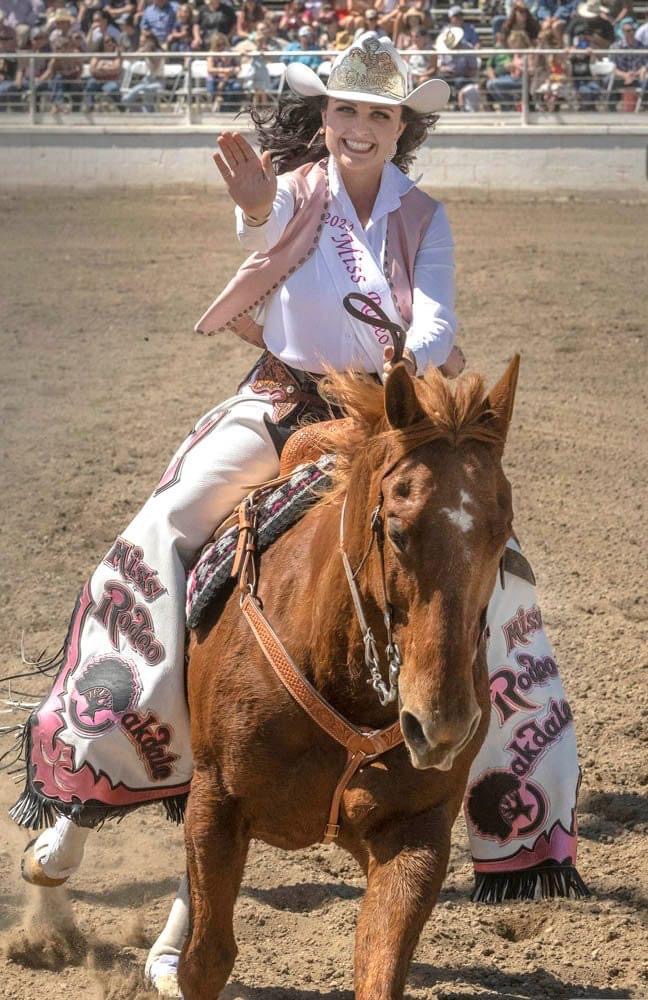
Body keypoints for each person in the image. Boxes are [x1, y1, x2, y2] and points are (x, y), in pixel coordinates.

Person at [12, 31, 585, 999]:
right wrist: (252, 206)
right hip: (283, 403)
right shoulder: (299, 191)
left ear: (404, 128)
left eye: (381, 114)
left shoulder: (422, 215)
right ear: (325, 117)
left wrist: (405, 359)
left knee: (494, 571)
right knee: (170, 519)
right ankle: (101, 739)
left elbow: (439, 316)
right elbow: (266, 220)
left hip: (393, 412)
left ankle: (518, 792)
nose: (361, 127)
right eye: (348, 110)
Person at [83, 30, 121, 107]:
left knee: (112, 88)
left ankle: (120, 107)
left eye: (112, 41)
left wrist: (101, 67)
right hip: (97, 80)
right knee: (90, 84)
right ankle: (90, 106)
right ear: (102, 44)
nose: (110, 43)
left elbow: (116, 69)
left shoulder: (116, 56)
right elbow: (92, 70)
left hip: (111, 80)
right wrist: (108, 68)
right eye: (107, 42)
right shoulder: (97, 55)